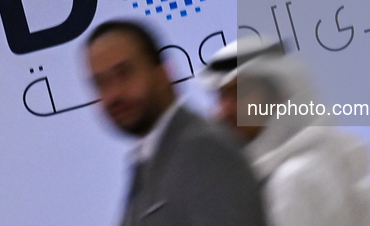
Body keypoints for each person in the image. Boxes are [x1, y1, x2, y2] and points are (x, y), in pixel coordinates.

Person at [85, 20, 266, 226]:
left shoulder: (203, 152)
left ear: (163, 73)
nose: (113, 94)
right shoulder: (148, 161)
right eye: (101, 83)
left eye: (124, 73)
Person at [204, 37, 370, 226]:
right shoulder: (327, 157)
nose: (223, 111)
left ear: (280, 97)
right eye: (221, 96)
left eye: (240, 93)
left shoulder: (294, 179)